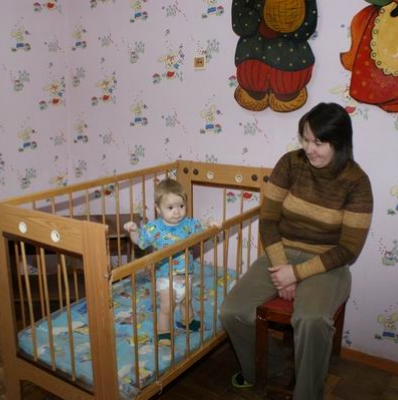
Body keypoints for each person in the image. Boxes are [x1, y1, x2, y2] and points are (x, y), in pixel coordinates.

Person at [219, 102, 374, 400]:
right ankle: (268, 367)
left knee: (312, 320)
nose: (309, 148)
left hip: (327, 263)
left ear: (340, 142)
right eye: (305, 139)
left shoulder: (357, 183)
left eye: (319, 142)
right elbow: (268, 220)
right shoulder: (290, 163)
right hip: (282, 252)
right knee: (232, 311)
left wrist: (297, 274)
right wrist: (282, 268)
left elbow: (349, 249)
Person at [124, 178, 205, 346]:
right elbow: (140, 241)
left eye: (181, 206)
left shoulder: (189, 224)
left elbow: (203, 232)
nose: (177, 212)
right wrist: (133, 231)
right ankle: (164, 332)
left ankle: (188, 321)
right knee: (167, 307)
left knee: (186, 301)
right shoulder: (154, 228)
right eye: (170, 208)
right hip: (165, 276)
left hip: (186, 274)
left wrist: (212, 225)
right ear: (158, 209)